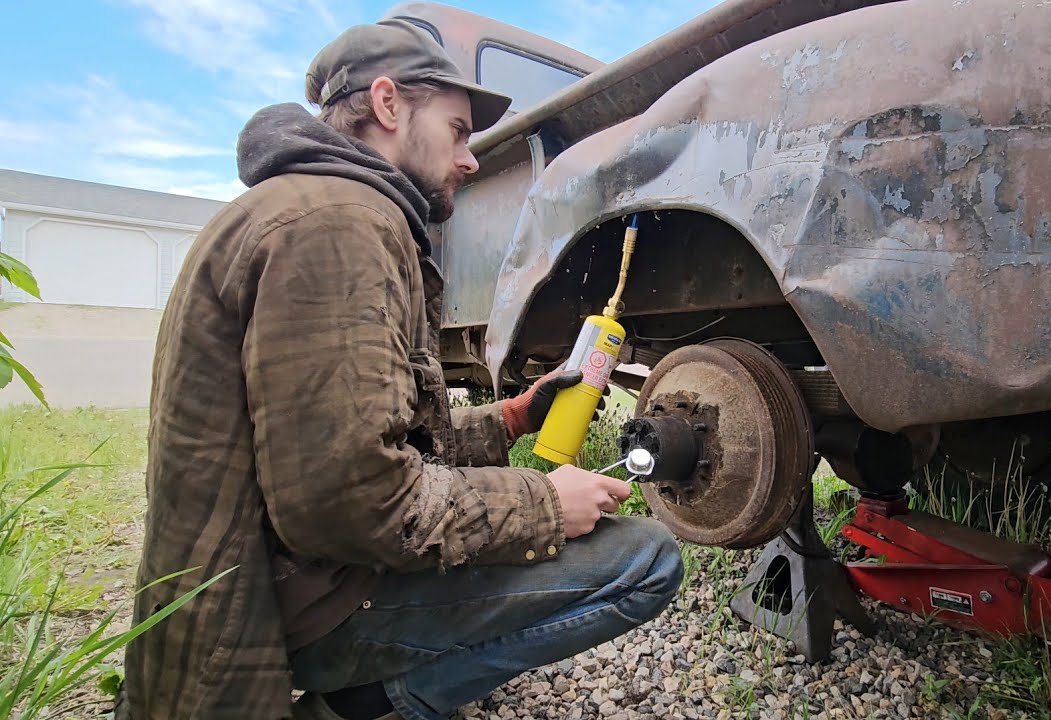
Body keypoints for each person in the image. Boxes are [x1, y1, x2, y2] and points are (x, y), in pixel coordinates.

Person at [117, 17, 684, 720]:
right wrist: (544, 505)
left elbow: (368, 444)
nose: (471, 159)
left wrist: (513, 417)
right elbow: (349, 505)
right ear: (388, 105)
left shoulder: (311, 206)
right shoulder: (336, 226)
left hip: (281, 576)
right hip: (276, 613)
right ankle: (360, 706)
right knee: (646, 561)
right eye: (456, 130)